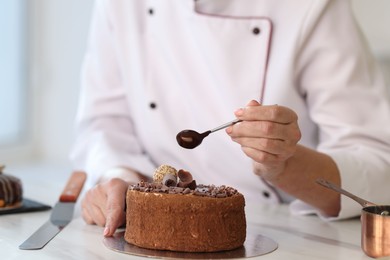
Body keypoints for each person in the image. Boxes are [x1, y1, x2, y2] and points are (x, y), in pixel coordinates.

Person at [70, 0, 390, 237]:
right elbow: (104, 124)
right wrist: (119, 178)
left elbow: (377, 166)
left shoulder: (313, 6)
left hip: (280, 233)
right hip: (151, 226)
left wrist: (283, 165)